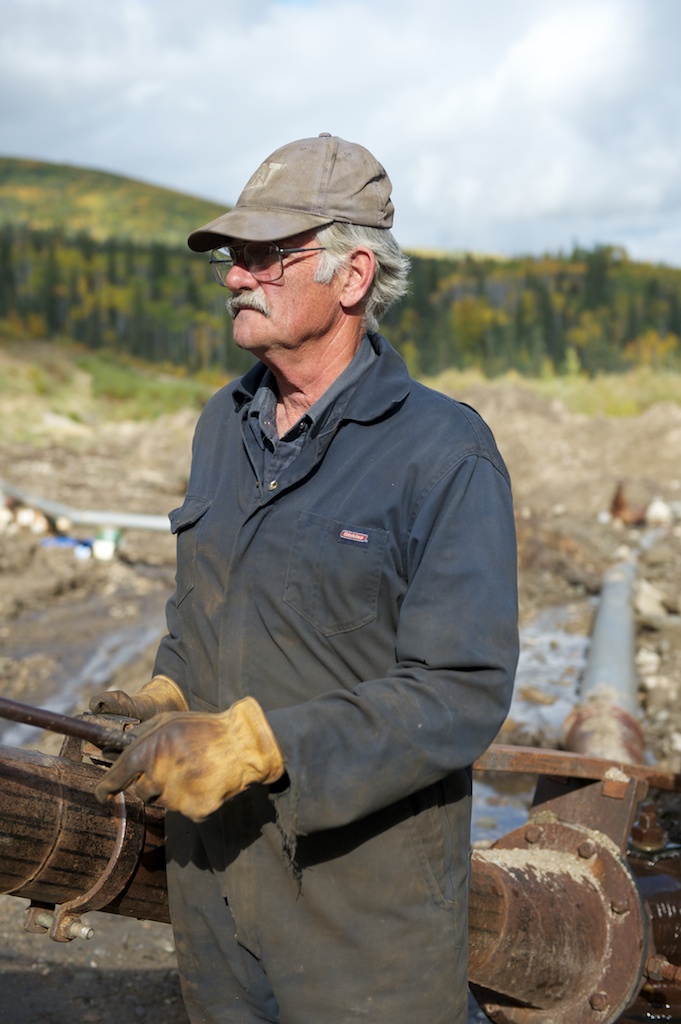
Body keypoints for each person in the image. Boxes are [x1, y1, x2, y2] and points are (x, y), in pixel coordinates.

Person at [91, 133, 519, 1024]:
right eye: (231, 260)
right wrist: (170, 687)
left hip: (362, 922)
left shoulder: (442, 453)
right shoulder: (223, 424)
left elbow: (458, 692)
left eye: (263, 257)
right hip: (212, 898)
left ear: (352, 275)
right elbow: (200, 608)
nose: (234, 278)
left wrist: (260, 746)